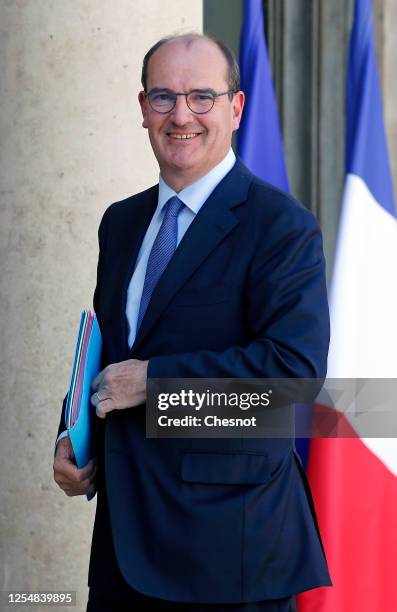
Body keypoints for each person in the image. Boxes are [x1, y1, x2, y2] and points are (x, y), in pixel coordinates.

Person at [53, 33, 332, 611]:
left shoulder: (281, 227)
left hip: (229, 550)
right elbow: (110, 350)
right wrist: (73, 434)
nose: (181, 115)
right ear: (142, 109)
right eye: (163, 97)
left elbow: (291, 380)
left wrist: (155, 386)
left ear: (235, 108)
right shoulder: (121, 223)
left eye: (202, 97)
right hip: (123, 549)